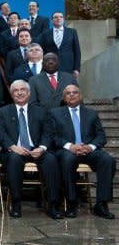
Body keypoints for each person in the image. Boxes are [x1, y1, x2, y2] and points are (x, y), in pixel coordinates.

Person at [45, 84, 116, 219]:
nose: (72, 95)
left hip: (88, 149)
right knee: (68, 160)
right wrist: (70, 146)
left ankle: (101, 204)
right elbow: (52, 136)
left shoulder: (91, 113)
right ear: (64, 98)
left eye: (75, 92)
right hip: (67, 150)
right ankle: (71, 203)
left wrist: (90, 147)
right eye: (68, 93)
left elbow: (101, 136)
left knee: (107, 160)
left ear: (80, 96)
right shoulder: (55, 113)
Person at [0, 80, 63, 219]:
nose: (19, 93)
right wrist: (13, 147)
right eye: (16, 90)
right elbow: (0, 134)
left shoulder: (41, 111)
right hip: (14, 150)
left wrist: (42, 148)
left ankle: (53, 205)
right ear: (11, 93)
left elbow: (48, 132)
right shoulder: (3, 111)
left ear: (29, 93)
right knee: (14, 160)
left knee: (51, 160)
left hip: (37, 149)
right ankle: (16, 204)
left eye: (23, 90)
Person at [39, 11, 81, 77]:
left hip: (68, 68)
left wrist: (77, 68)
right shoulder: (46, 34)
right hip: (50, 67)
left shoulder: (72, 32)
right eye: (56, 17)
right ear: (52, 20)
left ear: (63, 19)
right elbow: (43, 51)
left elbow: (77, 51)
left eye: (61, 17)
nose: (58, 18)